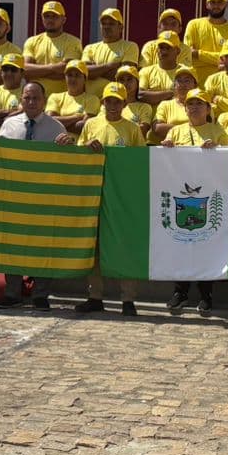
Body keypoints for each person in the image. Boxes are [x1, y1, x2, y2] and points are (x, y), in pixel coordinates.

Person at [0, 82, 72, 309]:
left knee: (43, 244)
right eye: (27, 98)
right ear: (21, 99)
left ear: (44, 100)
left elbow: (65, 163)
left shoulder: (56, 128)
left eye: (36, 98)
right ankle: (12, 292)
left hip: (44, 197)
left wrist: (67, 145)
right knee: (12, 243)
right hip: (14, 195)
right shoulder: (8, 125)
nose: (31, 102)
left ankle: (40, 294)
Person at [76, 83, 146, 317]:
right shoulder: (91, 125)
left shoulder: (133, 129)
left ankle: (128, 299)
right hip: (95, 193)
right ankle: (95, 296)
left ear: (125, 104)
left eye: (117, 101)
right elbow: (79, 155)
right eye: (109, 101)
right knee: (94, 246)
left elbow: (140, 162)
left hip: (121, 196)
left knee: (123, 245)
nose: (113, 105)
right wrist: (87, 146)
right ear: (102, 102)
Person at [163, 90, 228, 316]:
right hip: (179, 194)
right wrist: (166, 149)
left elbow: (227, 162)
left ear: (208, 108)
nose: (194, 107)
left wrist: (216, 151)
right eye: (190, 103)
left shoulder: (218, 131)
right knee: (179, 242)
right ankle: (180, 292)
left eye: (199, 103)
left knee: (204, 243)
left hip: (207, 195)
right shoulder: (175, 130)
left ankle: (205, 295)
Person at [22, 0, 85, 97]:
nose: (50, 20)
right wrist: (53, 68)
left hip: (62, 102)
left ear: (63, 19)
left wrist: (37, 73)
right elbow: (25, 70)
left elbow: (67, 72)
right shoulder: (32, 41)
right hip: (35, 101)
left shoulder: (73, 42)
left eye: (54, 16)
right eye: (47, 16)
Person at [184, 0, 228, 86]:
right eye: (213, 2)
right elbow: (187, 55)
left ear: (226, 4)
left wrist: (198, 54)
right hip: (197, 85)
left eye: (220, 2)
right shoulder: (194, 25)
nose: (216, 6)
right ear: (207, 4)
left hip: (223, 84)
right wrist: (219, 60)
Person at [82, 8, 138, 99]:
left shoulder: (130, 46)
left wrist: (96, 70)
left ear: (121, 27)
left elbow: (125, 77)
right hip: (91, 102)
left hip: (116, 102)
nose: (106, 27)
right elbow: (85, 73)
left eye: (111, 24)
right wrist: (110, 66)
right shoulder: (90, 48)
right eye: (104, 23)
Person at [47, 59, 101, 133]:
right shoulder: (55, 97)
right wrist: (77, 117)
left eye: (77, 75)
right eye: (70, 75)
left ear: (85, 79)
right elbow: (49, 122)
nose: (73, 79)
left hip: (78, 143)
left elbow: (83, 127)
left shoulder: (92, 99)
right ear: (65, 78)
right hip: (57, 142)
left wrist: (59, 124)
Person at [152, 66, 200, 143]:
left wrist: (172, 129)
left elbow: (206, 128)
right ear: (174, 85)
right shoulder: (165, 105)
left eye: (187, 81)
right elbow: (158, 128)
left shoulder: (204, 105)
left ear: (195, 85)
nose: (182, 84)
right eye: (179, 81)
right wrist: (190, 129)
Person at [137, 32, 182, 107]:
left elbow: (186, 96)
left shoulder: (185, 71)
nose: (164, 51)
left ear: (178, 51)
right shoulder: (146, 72)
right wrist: (172, 93)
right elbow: (140, 95)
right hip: (149, 118)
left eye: (168, 48)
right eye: (161, 47)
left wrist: (153, 94)